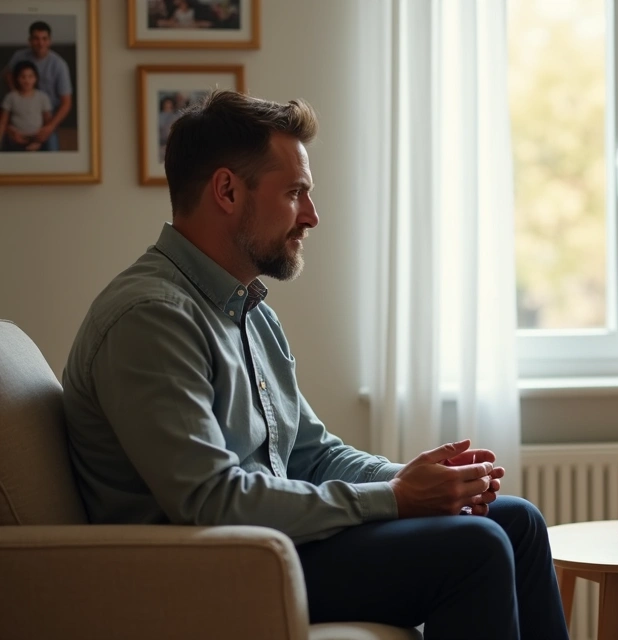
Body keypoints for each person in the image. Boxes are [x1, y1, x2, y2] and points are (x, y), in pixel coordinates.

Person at [61, 90, 569, 639]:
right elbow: (210, 501)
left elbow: (309, 453)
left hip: (270, 547)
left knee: (515, 521)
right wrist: (396, 500)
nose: (312, 216)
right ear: (228, 191)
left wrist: (407, 478)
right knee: (477, 548)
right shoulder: (151, 319)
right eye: (296, 193)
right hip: (206, 572)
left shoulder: (247, 310)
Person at [2, 21, 72, 152]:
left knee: (53, 154)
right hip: (19, 113)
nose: (40, 43)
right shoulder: (19, 56)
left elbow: (66, 102)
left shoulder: (59, 65)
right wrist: (19, 97)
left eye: (44, 39)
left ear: (50, 41)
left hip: (47, 117)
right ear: (29, 40)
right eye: (36, 38)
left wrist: (49, 128)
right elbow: (7, 74)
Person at [0, 61, 52, 151]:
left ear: (36, 78)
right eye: (23, 77)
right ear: (17, 78)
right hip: (15, 138)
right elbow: (3, 122)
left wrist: (39, 141)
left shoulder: (43, 97)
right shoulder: (10, 97)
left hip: (37, 138)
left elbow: (48, 122)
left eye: (30, 76)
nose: (27, 80)